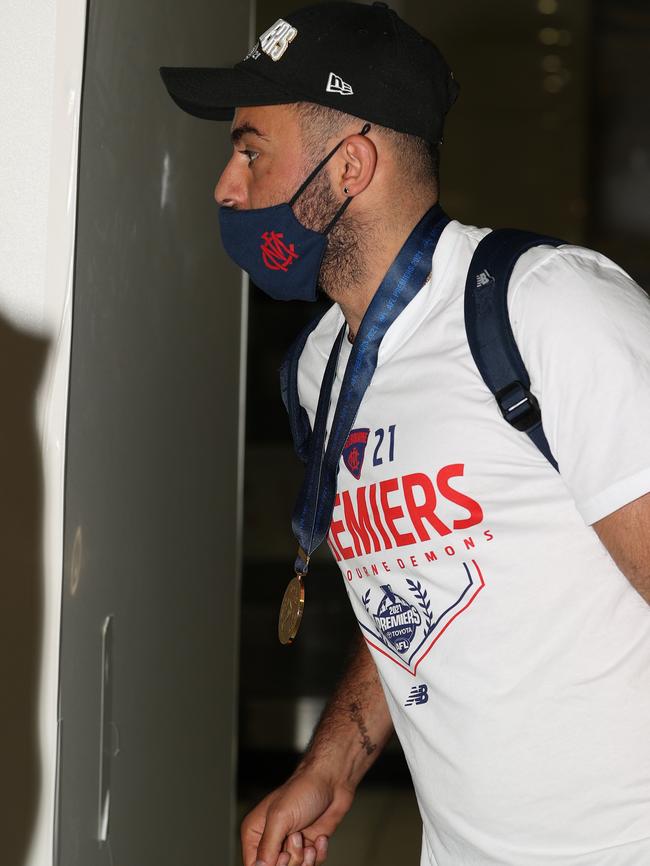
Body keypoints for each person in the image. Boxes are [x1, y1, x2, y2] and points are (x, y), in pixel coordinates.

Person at [160, 3, 650, 865]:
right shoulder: (321, 366)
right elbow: (417, 591)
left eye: (249, 149)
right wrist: (335, 760)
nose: (225, 188)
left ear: (349, 163)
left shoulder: (548, 309)